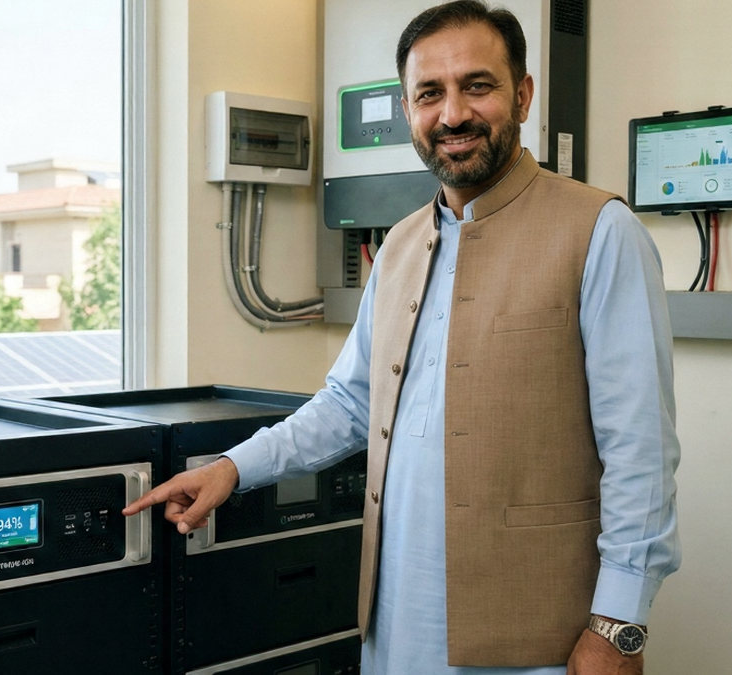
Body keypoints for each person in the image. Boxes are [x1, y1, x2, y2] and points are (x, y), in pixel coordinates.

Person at [124, 2, 680, 673]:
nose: (452, 114)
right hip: (395, 627)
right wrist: (232, 468)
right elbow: (350, 404)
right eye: (429, 94)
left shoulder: (600, 232)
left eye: (478, 85)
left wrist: (619, 626)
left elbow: (640, 451)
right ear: (409, 110)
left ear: (524, 94)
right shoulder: (400, 246)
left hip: (540, 637)